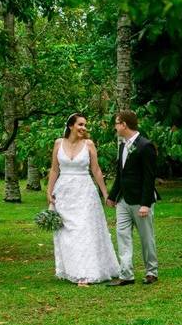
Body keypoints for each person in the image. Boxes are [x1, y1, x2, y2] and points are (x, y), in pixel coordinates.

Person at [47, 113, 120, 285]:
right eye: (80, 124)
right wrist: (49, 192)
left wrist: (105, 194)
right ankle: (72, 269)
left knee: (83, 230)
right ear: (71, 126)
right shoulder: (59, 143)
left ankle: (86, 273)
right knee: (67, 232)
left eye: (85, 125)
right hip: (64, 193)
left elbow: (96, 170)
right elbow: (54, 170)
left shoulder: (88, 144)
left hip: (85, 193)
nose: (83, 128)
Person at [108, 110, 160, 286]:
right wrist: (112, 196)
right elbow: (120, 174)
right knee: (122, 235)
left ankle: (151, 271)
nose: (115, 127)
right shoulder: (122, 145)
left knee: (146, 237)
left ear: (124, 125)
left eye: (116, 123)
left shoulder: (146, 146)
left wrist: (145, 204)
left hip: (140, 201)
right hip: (123, 200)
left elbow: (149, 177)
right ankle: (126, 274)